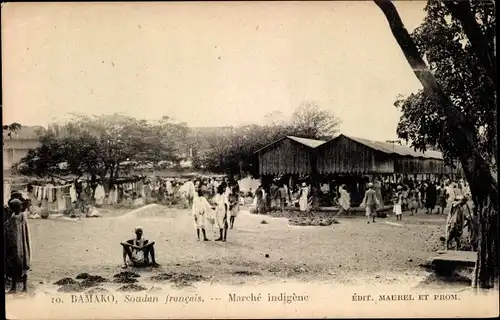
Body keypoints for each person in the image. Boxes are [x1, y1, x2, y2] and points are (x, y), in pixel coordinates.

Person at [4, 198, 32, 293]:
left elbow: (11, 233)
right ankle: (25, 287)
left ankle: (14, 288)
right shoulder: (22, 216)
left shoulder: (14, 219)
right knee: (23, 267)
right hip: (23, 247)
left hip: (15, 247)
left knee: (13, 267)